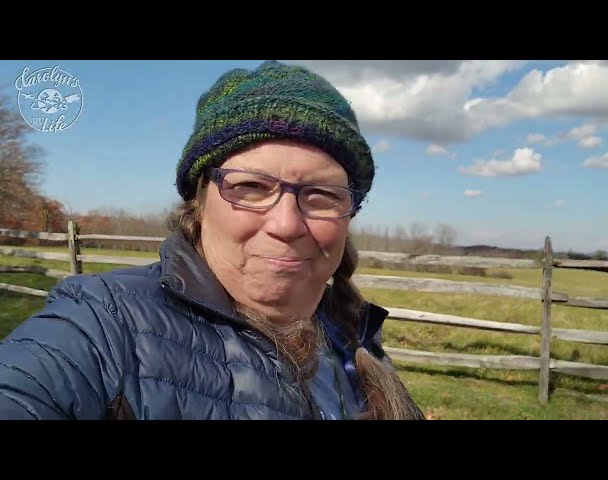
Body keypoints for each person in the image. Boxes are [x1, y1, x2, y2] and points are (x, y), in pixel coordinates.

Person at [0, 60, 425, 420]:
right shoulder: (104, 327)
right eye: (252, 187)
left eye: (321, 195)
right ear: (200, 203)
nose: (287, 224)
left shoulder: (352, 340)